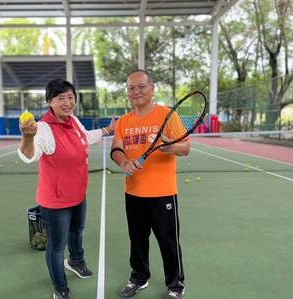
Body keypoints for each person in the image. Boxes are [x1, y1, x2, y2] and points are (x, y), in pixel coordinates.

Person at [18, 79, 115, 299]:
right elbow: (28, 155)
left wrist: (107, 130)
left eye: (70, 97)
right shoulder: (43, 129)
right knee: (57, 246)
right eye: (61, 98)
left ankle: (76, 261)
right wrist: (27, 137)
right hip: (56, 202)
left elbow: (86, 138)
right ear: (50, 101)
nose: (67, 102)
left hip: (78, 195)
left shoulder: (74, 121)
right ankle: (60, 287)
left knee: (77, 231)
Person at [110, 70, 189, 299]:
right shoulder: (124, 121)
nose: (136, 92)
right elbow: (116, 148)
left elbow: (185, 147)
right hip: (133, 192)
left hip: (163, 193)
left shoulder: (167, 116)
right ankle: (139, 277)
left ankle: (176, 285)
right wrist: (124, 161)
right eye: (131, 88)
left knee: (168, 241)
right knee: (137, 240)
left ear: (152, 88)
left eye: (141, 86)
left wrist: (172, 148)